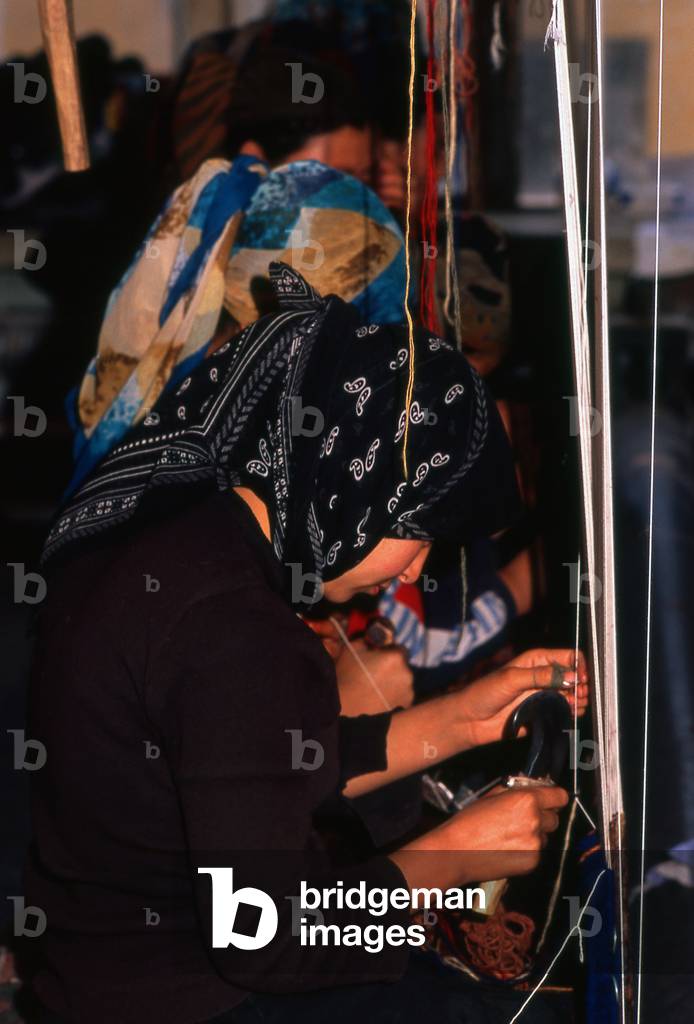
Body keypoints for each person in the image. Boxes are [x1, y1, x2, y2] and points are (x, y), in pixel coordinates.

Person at [27, 264, 586, 1024]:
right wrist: (451, 859)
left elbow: (254, 767)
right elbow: (259, 932)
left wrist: (463, 720)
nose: (417, 567)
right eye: (415, 530)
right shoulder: (237, 630)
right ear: (354, 487)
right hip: (184, 999)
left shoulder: (180, 528)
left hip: (100, 975)